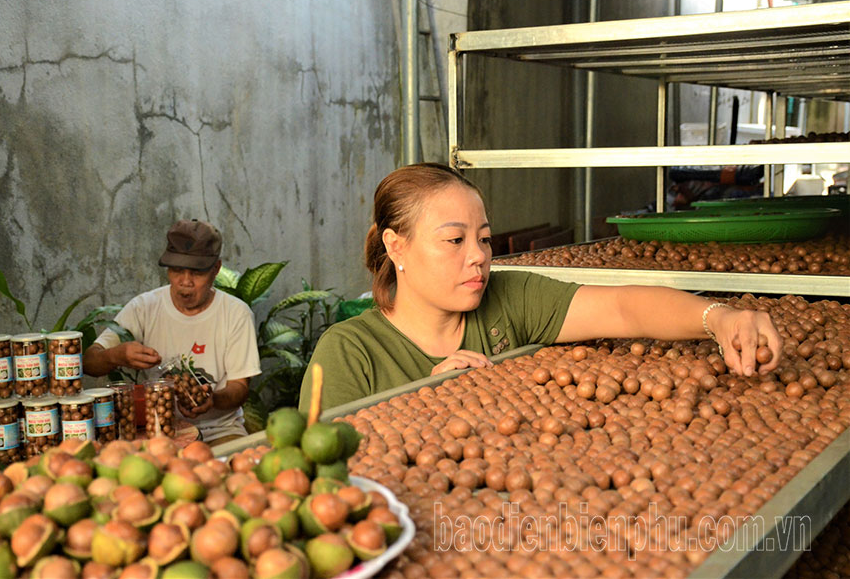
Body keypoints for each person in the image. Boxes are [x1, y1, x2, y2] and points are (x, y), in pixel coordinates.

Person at [299, 163, 782, 412]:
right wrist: (426, 397)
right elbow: (323, 482)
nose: (478, 256)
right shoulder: (349, 353)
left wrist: (718, 318)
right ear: (397, 247)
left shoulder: (507, 301)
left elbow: (622, 308)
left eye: (484, 239)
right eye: (454, 239)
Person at [85, 219, 261, 445]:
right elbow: (90, 362)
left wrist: (212, 399)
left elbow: (239, 388)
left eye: (197, 272)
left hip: (220, 431)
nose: (185, 282)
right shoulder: (143, 308)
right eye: (177, 270)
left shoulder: (236, 313)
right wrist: (115, 355)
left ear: (215, 270)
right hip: (159, 431)